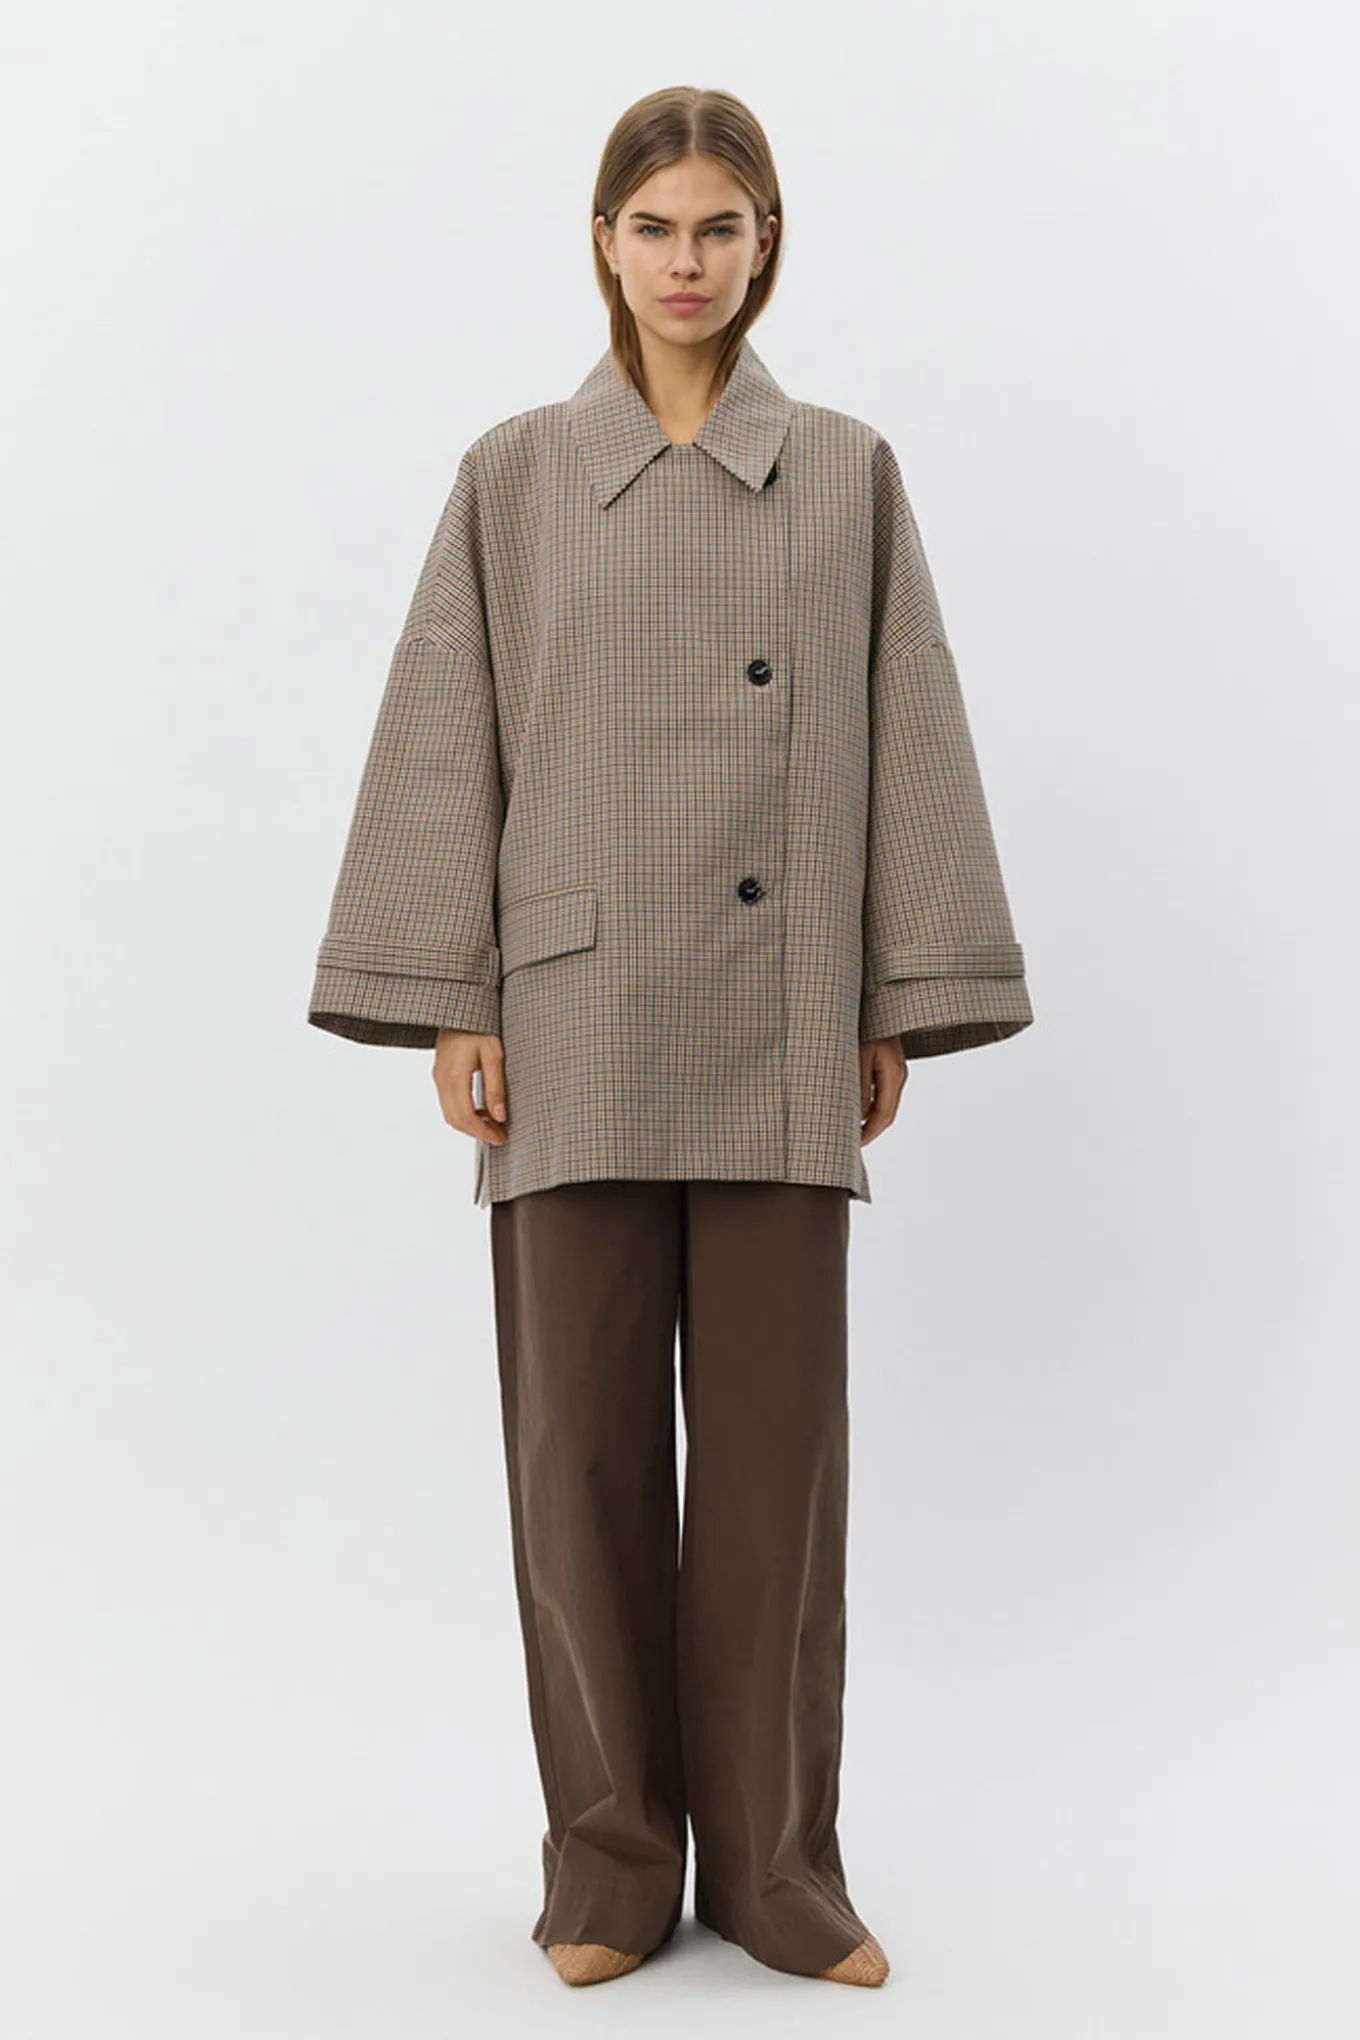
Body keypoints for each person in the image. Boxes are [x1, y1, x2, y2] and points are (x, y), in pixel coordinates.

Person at [306, 85, 1033, 1990]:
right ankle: (611, 1866)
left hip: (782, 1007)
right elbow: (447, 732)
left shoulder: (848, 471)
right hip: (570, 1013)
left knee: (780, 1471)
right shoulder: (518, 473)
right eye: (656, 228)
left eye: (721, 226)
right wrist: (455, 993)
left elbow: (908, 724)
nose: (687, 262)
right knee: (580, 1464)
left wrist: (893, 993)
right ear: (603, 244)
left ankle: (778, 1870)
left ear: (766, 242)